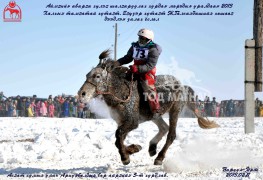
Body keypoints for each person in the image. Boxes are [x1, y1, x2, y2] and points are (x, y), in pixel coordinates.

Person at [115, 28, 162, 116]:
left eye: (144, 39)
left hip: (147, 71)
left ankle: (156, 108)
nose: (141, 40)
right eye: (140, 38)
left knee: (147, 85)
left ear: (149, 40)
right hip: (135, 68)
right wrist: (117, 62)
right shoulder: (134, 46)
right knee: (123, 79)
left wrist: (138, 68)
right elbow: (128, 57)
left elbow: (150, 65)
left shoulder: (153, 49)